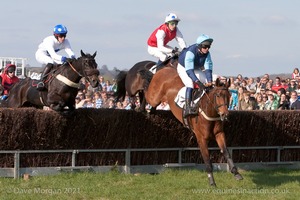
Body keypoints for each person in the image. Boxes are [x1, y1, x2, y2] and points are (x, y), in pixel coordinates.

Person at [177, 34, 213, 117]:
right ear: (199, 46)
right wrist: (197, 81)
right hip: (184, 67)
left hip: (195, 67)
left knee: (206, 82)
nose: (207, 49)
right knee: (190, 84)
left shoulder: (207, 54)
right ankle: (187, 107)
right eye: (205, 46)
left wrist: (210, 81)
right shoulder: (191, 52)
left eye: (208, 46)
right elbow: (189, 71)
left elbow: (208, 69)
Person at [35, 24, 76, 90]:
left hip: (50, 56)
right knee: (51, 62)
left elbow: (70, 51)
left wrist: (73, 57)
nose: (63, 38)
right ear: (56, 35)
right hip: (41, 54)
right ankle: (41, 81)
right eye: (61, 36)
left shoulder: (66, 41)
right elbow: (53, 55)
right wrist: (64, 58)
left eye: (64, 35)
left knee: (62, 65)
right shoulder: (49, 40)